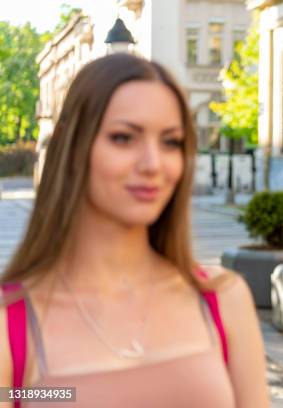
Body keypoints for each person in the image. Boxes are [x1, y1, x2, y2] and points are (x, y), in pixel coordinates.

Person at [0, 53, 268, 408]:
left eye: (171, 142)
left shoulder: (223, 299)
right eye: (124, 138)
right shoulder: (11, 324)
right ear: (72, 145)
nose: (153, 164)